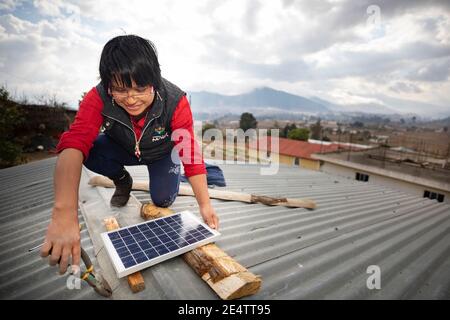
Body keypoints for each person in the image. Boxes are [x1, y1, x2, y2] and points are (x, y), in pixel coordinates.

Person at [41, 35, 219, 274]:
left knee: (163, 200)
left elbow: (190, 154)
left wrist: (205, 205)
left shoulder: (176, 101)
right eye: (120, 90)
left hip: (161, 154)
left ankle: (167, 178)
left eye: (140, 88)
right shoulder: (98, 97)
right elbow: (74, 142)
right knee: (87, 151)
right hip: (123, 148)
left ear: (154, 81)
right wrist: (64, 212)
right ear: (107, 85)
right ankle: (122, 180)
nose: (132, 99)